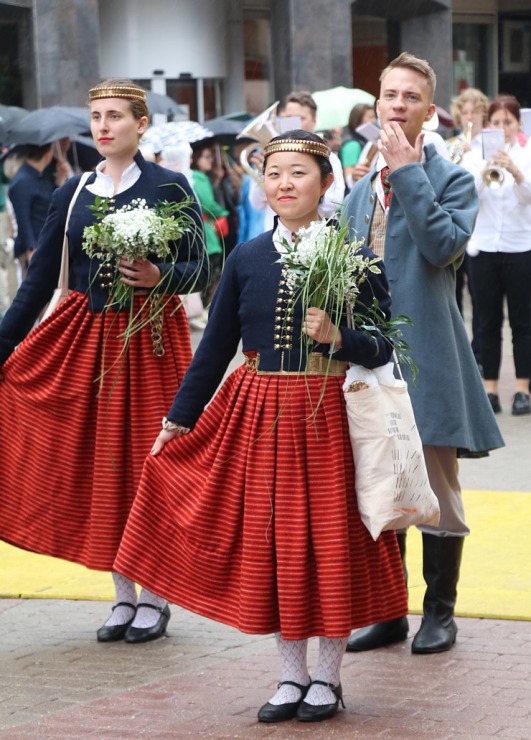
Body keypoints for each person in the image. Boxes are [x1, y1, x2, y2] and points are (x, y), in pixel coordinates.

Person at [114, 130, 408, 723]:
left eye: (298, 173)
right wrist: (179, 419)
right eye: (273, 173)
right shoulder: (247, 257)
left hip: (328, 418)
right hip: (259, 414)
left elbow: (382, 345)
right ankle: (289, 677)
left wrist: (338, 338)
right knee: (277, 546)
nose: (284, 183)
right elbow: (215, 345)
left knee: (326, 545)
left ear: (327, 184)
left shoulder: (353, 254)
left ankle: (328, 678)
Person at [0, 78, 208, 643]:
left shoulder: (171, 186)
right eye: (96, 116)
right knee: (104, 466)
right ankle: (122, 596)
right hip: (88, 341)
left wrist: (158, 277)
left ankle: (157, 595)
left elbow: (205, 271)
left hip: (151, 341)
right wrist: (3, 346)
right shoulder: (73, 192)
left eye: (116, 115)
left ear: (141, 125)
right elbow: (39, 280)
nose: (103, 125)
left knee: (149, 462)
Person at [342, 52, 504, 656]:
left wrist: (409, 173)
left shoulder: (452, 179)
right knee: (379, 485)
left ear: (428, 111)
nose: (398, 105)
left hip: (428, 355)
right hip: (367, 358)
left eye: (410, 97)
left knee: (437, 485)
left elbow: (441, 249)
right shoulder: (360, 191)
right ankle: (388, 611)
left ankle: (441, 612)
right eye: (389, 96)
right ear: (377, 103)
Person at [464, 94, 531, 416]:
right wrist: (486, 168)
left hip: (521, 246)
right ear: (488, 124)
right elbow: (467, 197)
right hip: (484, 248)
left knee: (523, 322)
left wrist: (516, 171)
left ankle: (522, 389)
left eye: (508, 122)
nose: (502, 128)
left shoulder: (528, 150)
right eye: (497, 122)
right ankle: (489, 389)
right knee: (486, 321)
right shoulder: (476, 153)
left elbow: (528, 197)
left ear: (518, 123)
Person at [248, 91, 346, 230]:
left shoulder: (328, 156)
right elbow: (256, 203)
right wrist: (262, 173)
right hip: (275, 233)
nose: (293, 123)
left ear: (314, 121)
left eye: (300, 118)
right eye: (288, 117)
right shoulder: (272, 155)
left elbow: (335, 202)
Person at [449, 87, 490, 365]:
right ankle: (458, 349)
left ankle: (478, 354)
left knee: (481, 300)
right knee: (452, 296)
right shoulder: (452, 144)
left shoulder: (490, 146)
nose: (470, 117)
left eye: (475, 112)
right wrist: (458, 155)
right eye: (465, 112)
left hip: (482, 231)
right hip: (455, 230)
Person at [7, 143, 56, 283]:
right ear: (47, 154)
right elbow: (23, 219)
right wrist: (31, 251)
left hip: (44, 243)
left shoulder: (39, 175)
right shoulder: (23, 180)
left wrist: (59, 180)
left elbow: (49, 202)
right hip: (34, 248)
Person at [190, 143, 229, 305]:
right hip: (206, 230)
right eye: (206, 156)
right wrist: (224, 213)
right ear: (197, 159)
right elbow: (209, 204)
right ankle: (206, 306)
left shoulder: (194, 176)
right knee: (212, 270)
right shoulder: (199, 178)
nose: (211, 160)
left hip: (197, 230)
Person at [340, 103, 377, 189]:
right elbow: (349, 176)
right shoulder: (352, 144)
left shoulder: (366, 141)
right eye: (370, 117)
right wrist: (353, 177)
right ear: (358, 120)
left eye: (374, 117)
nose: (374, 121)